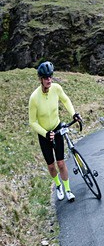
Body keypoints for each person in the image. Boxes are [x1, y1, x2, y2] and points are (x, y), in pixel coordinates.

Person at [29, 61, 82, 202]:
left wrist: (73, 114)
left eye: (50, 77)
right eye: (46, 78)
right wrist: (45, 134)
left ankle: (68, 190)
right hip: (44, 135)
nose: (49, 80)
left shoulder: (56, 88)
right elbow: (32, 122)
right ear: (40, 79)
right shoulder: (34, 98)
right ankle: (58, 185)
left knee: (61, 163)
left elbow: (66, 100)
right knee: (51, 166)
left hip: (57, 128)